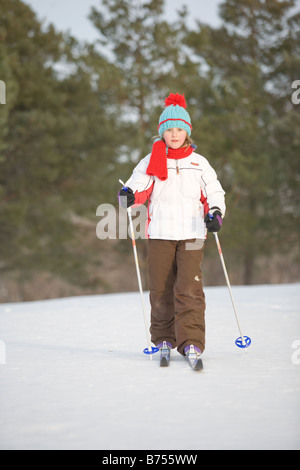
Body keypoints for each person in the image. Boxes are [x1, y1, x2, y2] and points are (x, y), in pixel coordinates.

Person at [118, 93, 225, 366]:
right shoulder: (150, 162)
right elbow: (136, 187)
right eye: (168, 130)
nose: (174, 134)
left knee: (189, 289)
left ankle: (191, 342)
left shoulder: (199, 163)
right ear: (161, 133)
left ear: (187, 132)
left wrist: (215, 213)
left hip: (192, 235)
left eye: (179, 129)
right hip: (161, 236)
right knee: (161, 289)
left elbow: (214, 192)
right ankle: (164, 338)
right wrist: (127, 195)